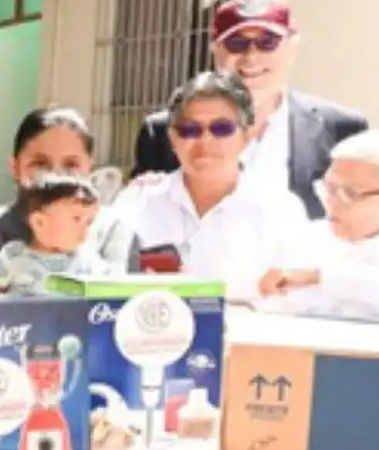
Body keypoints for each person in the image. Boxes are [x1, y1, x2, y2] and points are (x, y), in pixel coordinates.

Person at [130, 0, 367, 218]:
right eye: (236, 43)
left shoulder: (342, 130)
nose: (251, 56)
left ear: (292, 47)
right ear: (215, 49)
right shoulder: (163, 132)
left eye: (267, 42)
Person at [111, 71, 309, 300]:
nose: (205, 141)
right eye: (190, 130)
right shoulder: (136, 202)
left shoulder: (281, 211)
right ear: (173, 139)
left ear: (245, 135)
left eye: (221, 129)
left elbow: (297, 300)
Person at [258, 129, 379, 324]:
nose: (332, 203)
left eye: (351, 193)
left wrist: (318, 278)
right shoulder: (306, 238)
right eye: (329, 189)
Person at [0, 107, 139, 273]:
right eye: (40, 164)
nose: (57, 175)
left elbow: (118, 295)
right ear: (15, 168)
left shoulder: (112, 230)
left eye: (71, 165)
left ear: (89, 168)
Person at [0, 175, 106, 292]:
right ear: (39, 222)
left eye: (89, 222)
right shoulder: (13, 255)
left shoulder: (87, 259)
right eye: (76, 219)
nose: (84, 229)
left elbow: (112, 287)